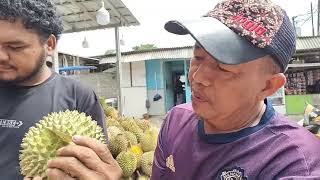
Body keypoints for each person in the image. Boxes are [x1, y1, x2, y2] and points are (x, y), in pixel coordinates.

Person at [45, 0, 320, 179]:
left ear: (268, 86)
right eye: (198, 57)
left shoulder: (294, 163)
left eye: (224, 67)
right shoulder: (176, 121)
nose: (198, 77)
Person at [0, 0, 109, 179]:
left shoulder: (78, 96)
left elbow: (96, 167)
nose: (1, 56)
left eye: (15, 47)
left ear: (49, 44)